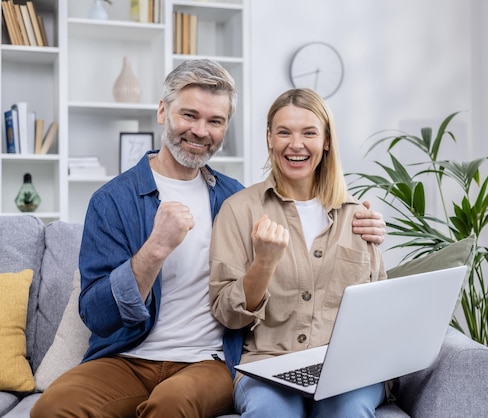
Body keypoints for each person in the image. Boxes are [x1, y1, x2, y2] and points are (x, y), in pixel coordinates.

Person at [31, 61, 386, 418]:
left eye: (215, 121)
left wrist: (366, 228)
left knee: (171, 404)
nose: (200, 131)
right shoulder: (112, 200)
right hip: (126, 357)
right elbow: (97, 315)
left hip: (208, 359)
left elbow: (299, 255)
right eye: (189, 115)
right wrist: (155, 248)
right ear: (162, 111)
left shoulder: (234, 200)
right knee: (51, 409)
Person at [209, 88, 387, 418]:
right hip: (269, 366)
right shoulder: (239, 210)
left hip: (347, 368)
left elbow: (379, 310)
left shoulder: (358, 216)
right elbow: (226, 312)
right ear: (269, 139)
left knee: (349, 412)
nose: (296, 144)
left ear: (327, 141)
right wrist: (263, 262)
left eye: (309, 133)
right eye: (284, 132)